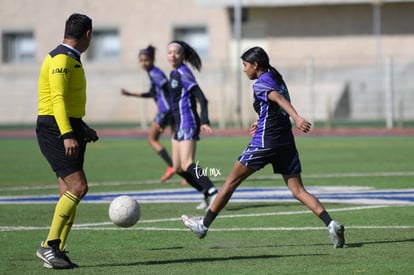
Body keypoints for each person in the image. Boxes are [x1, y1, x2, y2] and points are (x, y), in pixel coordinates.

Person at [181, 46, 345, 248]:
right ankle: (331, 224)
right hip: (286, 143)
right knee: (298, 190)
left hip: (265, 143)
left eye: (245, 65)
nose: (244, 69)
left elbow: (278, 99)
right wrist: (261, 121)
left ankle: (203, 226)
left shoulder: (260, 83)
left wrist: (297, 117)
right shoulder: (276, 78)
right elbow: (275, 107)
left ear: (255, 65)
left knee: (230, 183)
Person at [35, 13, 98, 269]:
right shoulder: (60, 58)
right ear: (87, 35)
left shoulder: (70, 58)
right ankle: (48, 245)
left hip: (68, 125)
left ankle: (58, 250)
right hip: (55, 128)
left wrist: (81, 127)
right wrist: (67, 134)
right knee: (78, 187)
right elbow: (57, 99)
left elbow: (67, 102)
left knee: (68, 191)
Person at [167, 40, 218, 209]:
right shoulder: (173, 73)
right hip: (178, 124)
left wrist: (204, 121)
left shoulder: (184, 72)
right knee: (178, 168)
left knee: (188, 163)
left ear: (183, 56)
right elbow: (175, 102)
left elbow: (202, 98)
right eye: (170, 52)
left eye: (177, 52)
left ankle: (212, 192)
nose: (173, 55)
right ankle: (205, 193)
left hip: (188, 121)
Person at [121, 45, 175, 182]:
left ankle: (172, 166)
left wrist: (165, 118)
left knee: (152, 139)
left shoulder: (155, 73)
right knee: (177, 142)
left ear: (152, 60)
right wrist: (131, 94)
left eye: (146, 60)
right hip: (169, 110)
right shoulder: (152, 73)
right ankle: (185, 170)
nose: (143, 63)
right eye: (141, 60)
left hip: (166, 110)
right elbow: (152, 93)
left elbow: (167, 90)